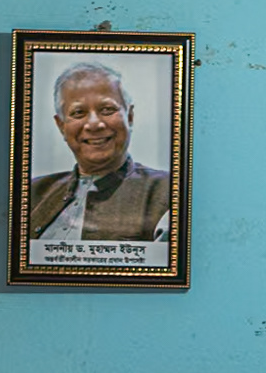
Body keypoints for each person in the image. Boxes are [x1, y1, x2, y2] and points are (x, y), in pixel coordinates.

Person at [29, 61, 171, 244]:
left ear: (130, 117)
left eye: (107, 110)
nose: (94, 124)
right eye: (78, 112)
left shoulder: (168, 191)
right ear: (61, 126)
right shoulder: (32, 192)